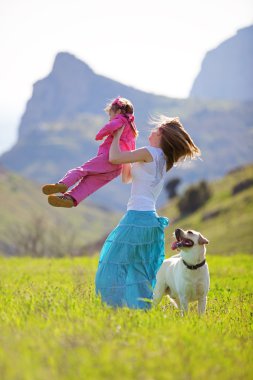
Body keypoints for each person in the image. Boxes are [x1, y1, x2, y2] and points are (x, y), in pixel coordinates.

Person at [95, 116, 201, 310]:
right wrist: (128, 146)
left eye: (155, 129)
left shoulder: (149, 152)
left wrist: (117, 134)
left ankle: (111, 308)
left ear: (161, 134)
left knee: (111, 264)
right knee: (139, 271)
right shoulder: (163, 159)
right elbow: (127, 178)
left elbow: (114, 158)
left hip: (137, 217)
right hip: (150, 221)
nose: (151, 132)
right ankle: (140, 310)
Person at [42, 97, 138, 207]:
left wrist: (100, 135)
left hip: (107, 159)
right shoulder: (132, 129)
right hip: (117, 168)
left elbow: (110, 126)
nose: (110, 119)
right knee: (90, 184)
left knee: (82, 170)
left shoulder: (121, 119)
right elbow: (130, 151)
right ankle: (70, 199)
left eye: (110, 115)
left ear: (119, 112)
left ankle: (63, 184)